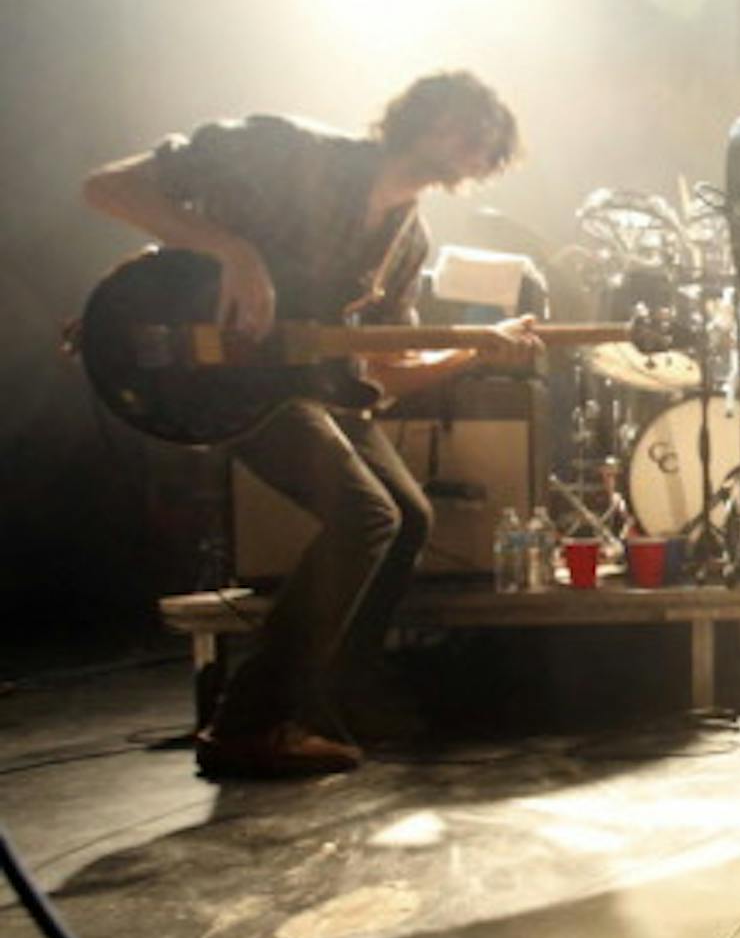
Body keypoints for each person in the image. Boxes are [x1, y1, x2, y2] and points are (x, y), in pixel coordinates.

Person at [82, 72, 537, 780]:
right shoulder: (291, 150)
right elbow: (108, 187)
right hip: (211, 377)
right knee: (365, 516)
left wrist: (477, 347)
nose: (478, 142)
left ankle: (327, 700)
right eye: (469, 121)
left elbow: (378, 374)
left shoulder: (407, 241)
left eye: (489, 141)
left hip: (305, 385)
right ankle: (249, 721)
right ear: (420, 112)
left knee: (407, 518)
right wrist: (234, 252)